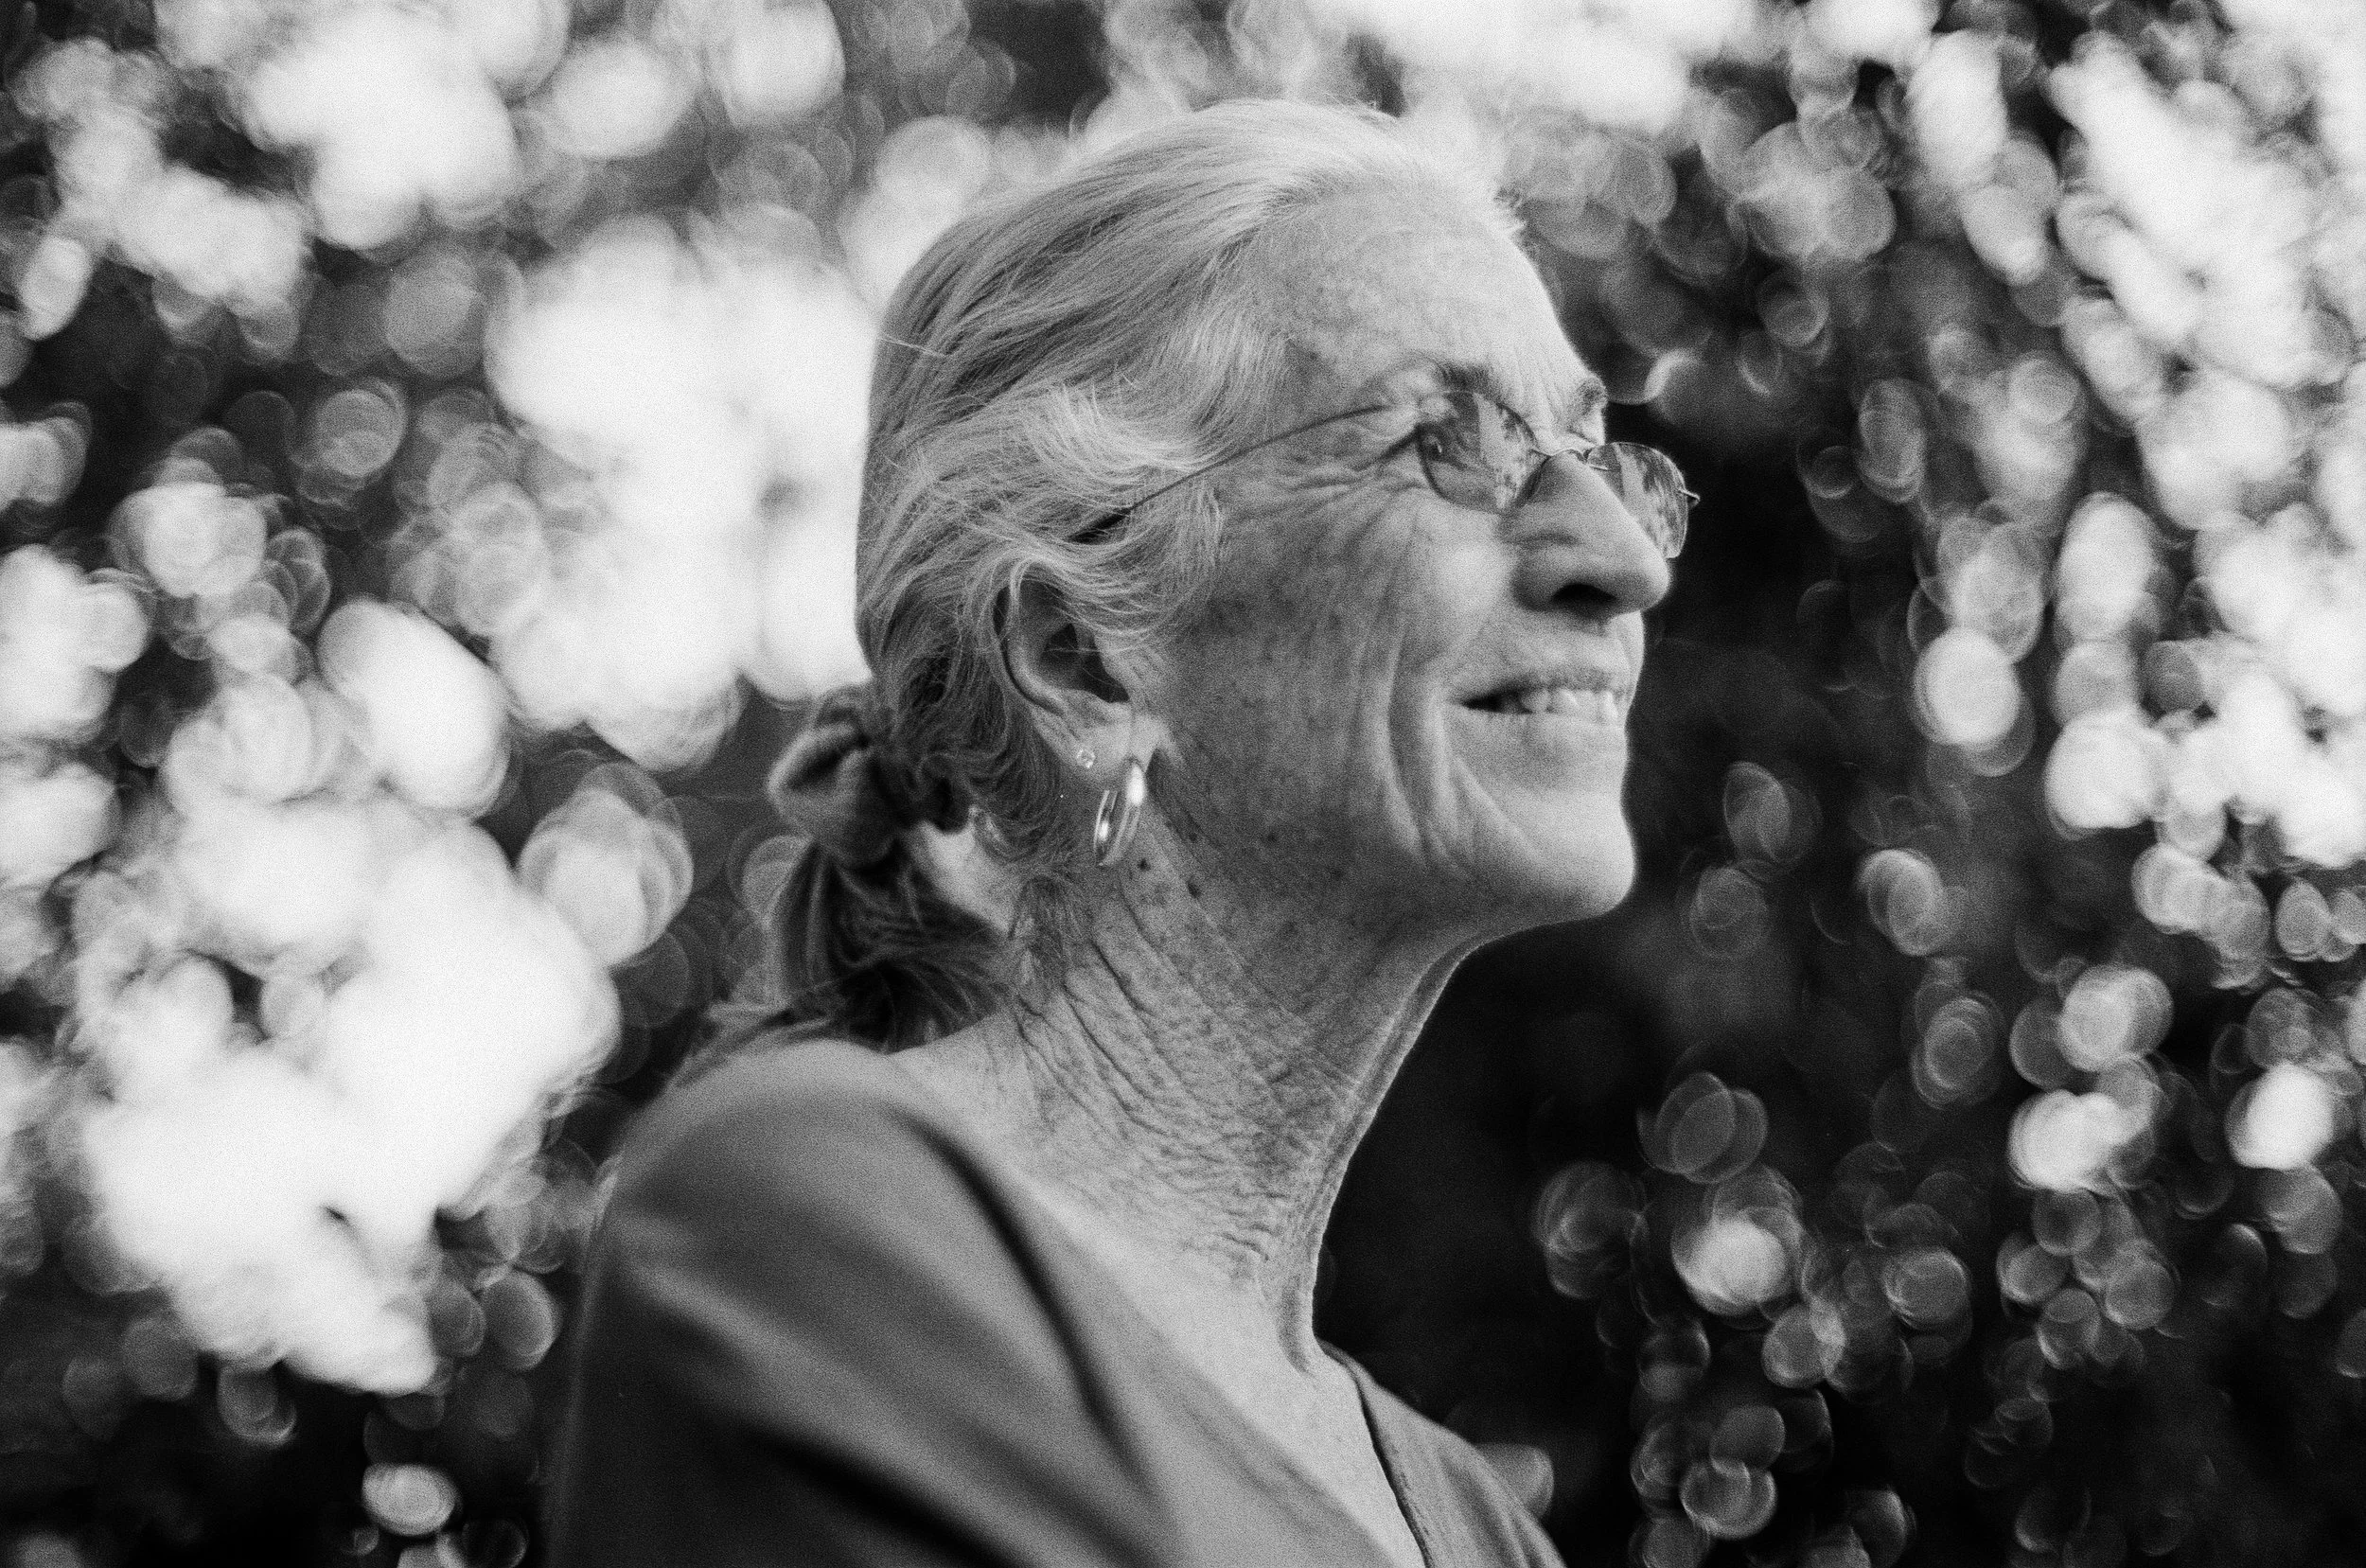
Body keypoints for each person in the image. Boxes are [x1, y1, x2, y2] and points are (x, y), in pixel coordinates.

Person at [546, 98, 1685, 1568]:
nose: (1626, 561)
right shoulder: (821, 1220)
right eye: (1446, 442)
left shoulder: (1473, 1523)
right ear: (1080, 661)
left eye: (1604, 453)